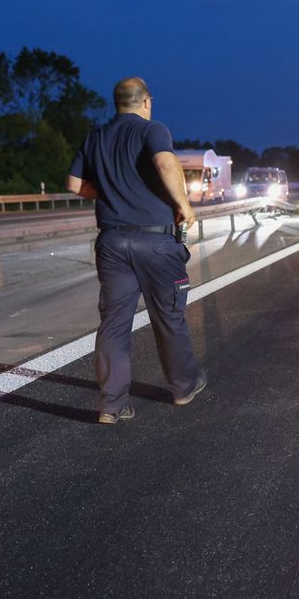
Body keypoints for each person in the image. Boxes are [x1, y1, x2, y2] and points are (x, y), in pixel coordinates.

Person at [66, 77, 207, 424]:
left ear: (117, 104)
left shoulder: (95, 136)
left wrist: (112, 195)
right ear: (146, 102)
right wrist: (184, 206)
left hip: (113, 242)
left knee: (114, 323)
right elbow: (165, 163)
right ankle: (183, 386)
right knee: (168, 316)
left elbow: (72, 184)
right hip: (156, 242)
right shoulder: (152, 129)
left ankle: (111, 406)